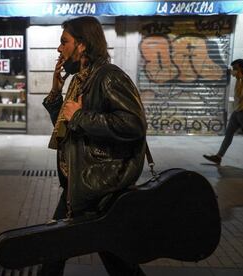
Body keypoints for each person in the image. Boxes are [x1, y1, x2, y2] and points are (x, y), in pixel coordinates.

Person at [42, 16, 147, 276]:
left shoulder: (108, 77)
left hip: (99, 186)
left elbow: (133, 125)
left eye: (64, 42)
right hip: (81, 183)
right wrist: (56, 92)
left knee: (56, 250)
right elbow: (66, 129)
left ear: (82, 45)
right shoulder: (80, 79)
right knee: (113, 257)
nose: (59, 48)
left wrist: (79, 116)